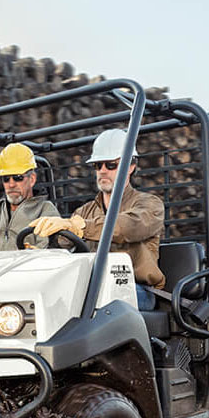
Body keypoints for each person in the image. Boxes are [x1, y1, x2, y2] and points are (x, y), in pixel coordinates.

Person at [29, 128, 165, 308]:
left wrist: (80, 227)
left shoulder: (149, 205)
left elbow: (128, 227)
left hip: (135, 289)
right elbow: (66, 242)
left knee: (91, 301)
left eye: (110, 165)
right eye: (97, 165)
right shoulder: (84, 211)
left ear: (131, 166)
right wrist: (45, 250)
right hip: (93, 287)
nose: (102, 171)